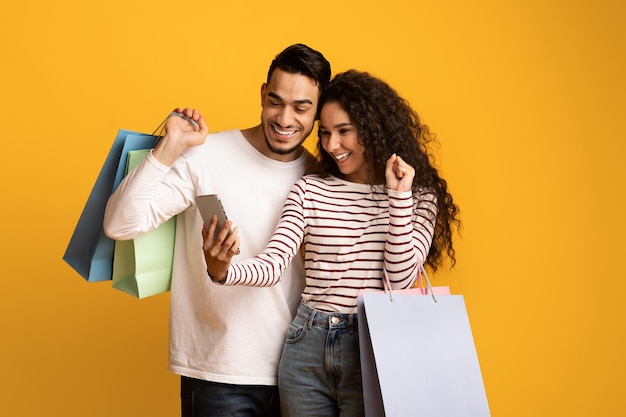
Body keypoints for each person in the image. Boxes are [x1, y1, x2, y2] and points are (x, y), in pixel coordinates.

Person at [204, 69, 461, 417]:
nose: (331, 146)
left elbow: (399, 283)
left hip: (374, 346)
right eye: (325, 133)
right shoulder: (310, 190)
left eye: (344, 132)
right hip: (306, 346)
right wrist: (224, 270)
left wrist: (398, 199)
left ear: (373, 129)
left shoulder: (418, 197)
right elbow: (273, 264)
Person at [103, 44, 331, 417]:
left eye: (301, 107)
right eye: (275, 101)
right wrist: (170, 146)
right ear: (262, 94)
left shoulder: (320, 176)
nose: (285, 118)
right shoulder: (207, 156)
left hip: (300, 374)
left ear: (319, 110)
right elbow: (119, 224)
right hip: (216, 373)